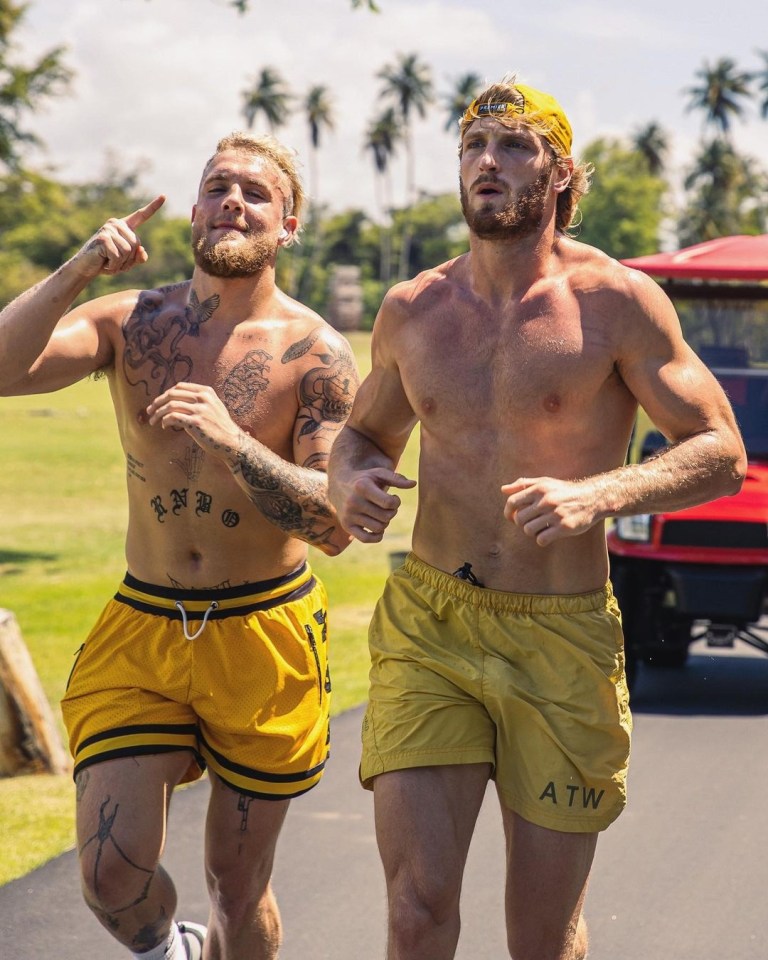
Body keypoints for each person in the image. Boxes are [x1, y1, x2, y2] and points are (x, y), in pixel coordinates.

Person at [327, 75, 746, 960]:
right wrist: (352, 478)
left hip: (560, 638)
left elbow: (718, 449)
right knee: (416, 908)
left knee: (542, 937)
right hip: (431, 624)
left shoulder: (616, 303)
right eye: (475, 147)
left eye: (515, 146)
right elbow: (364, 433)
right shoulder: (413, 310)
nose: (488, 162)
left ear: (560, 175)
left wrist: (600, 494)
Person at [0, 132, 359, 960]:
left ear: (289, 224)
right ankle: (172, 950)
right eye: (217, 187)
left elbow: (334, 523)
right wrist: (77, 270)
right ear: (193, 211)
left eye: (255, 193)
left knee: (238, 884)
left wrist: (232, 443)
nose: (233, 200)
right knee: (107, 876)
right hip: (145, 621)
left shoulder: (315, 353)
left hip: (263, 632)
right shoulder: (130, 321)